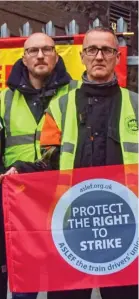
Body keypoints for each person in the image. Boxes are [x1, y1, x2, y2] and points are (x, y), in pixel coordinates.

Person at [2, 27, 138, 299]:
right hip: (71, 223)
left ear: (116, 58)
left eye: (107, 50)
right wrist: (22, 171)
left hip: (124, 224)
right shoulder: (60, 106)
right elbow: (48, 160)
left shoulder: (135, 104)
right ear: (82, 55)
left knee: (121, 294)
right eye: (92, 50)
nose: (99, 56)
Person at [0, 32, 71, 299]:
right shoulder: (4, 99)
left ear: (56, 55)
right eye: (33, 51)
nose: (40, 56)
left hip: (63, 195)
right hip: (20, 200)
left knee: (65, 279)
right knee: (25, 283)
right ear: (24, 58)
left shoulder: (74, 93)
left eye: (46, 50)